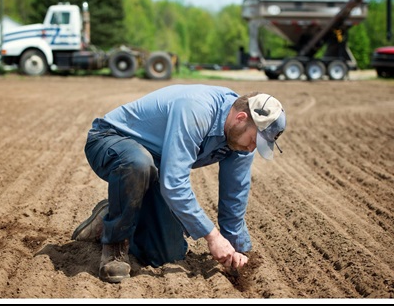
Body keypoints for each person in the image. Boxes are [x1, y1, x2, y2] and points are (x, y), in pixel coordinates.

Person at [71, 84, 286, 283]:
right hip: (111, 141)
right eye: (254, 140)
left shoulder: (239, 141)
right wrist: (213, 236)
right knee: (138, 163)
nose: (252, 149)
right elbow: (174, 183)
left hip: (156, 166)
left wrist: (237, 250)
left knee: (166, 254)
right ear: (240, 117)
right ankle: (114, 246)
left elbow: (234, 196)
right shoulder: (197, 109)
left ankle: (111, 213)